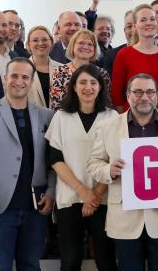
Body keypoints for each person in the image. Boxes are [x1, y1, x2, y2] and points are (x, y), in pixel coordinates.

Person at [85, 73, 158, 270]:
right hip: (124, 219)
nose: (144, 97)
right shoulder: (107, 127)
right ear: (128, 95)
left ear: (156, 95)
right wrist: (108, 170)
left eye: (149, 92)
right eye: (138, 92)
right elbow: (93, 163)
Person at [0, 58, 57, 270]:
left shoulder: (46, 115)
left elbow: (53, 160)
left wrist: (52, 192)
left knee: (31, 265)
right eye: (15, 76)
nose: (19, 81)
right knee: (0, 266)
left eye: (25, 77)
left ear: (32, 81)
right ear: (6, 78)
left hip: (36, 208)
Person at [45, 65, 119, 271]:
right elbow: (55, 158)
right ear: (74, 88)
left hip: (103, 198)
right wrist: (83, 192)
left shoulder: (112, 117)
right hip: (69, 197)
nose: (88, 87)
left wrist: (94, 195)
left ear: (101, 87)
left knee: (106, 260)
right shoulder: (61, 117)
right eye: (83, 82)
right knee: (70, 261)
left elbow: (116, 159)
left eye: (93, 83)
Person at [112, 4, 158, 112]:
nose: (149, 23)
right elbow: (116, 94)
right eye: (143, 20)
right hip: (132, 116)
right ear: (135, 25)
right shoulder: (124, 54)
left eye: (152, 19)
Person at [50, 30, 110, 110]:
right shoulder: (60, 72)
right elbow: (56, 104)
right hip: (66, 118)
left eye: (90, 44)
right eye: (81, 43)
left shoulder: (102, 73)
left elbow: (106, 102)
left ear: (95, 49)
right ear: (73, 46)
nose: (85, 47)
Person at [25, 26, 64, 109]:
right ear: (29, 44)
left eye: (45, 40)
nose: (40, 43)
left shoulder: (63, 69)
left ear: (51, 42)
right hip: (32, 119)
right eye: (35, 40)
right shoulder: (21, 70)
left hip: (58, 119)